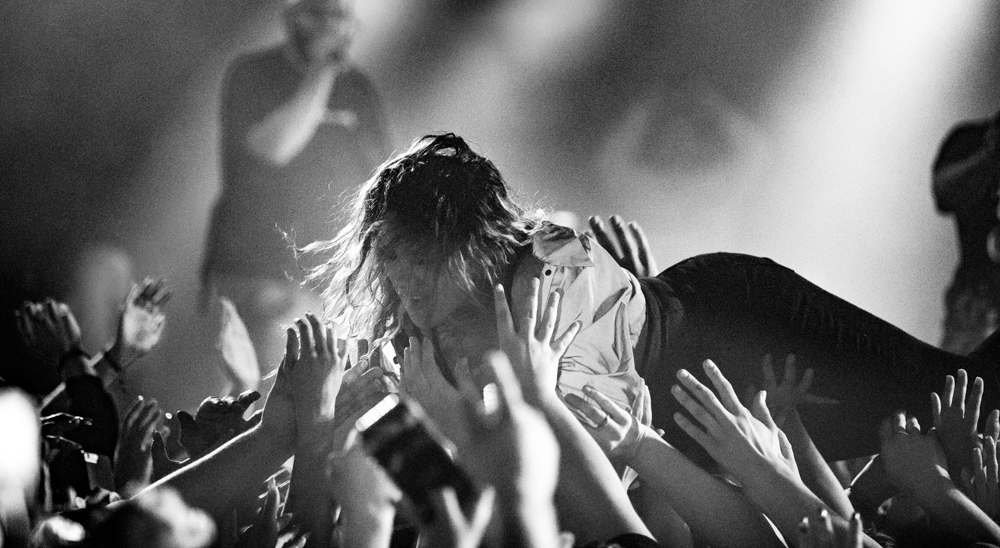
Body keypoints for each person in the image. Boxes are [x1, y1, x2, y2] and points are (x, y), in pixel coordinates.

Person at [308, 131, 1000, 465]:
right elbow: (455, 499)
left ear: (469, 237)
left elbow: (573, 444)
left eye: (418, 254)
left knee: (949, 400)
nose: (401, 278)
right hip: (699, 417)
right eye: (388, 258)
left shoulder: (545, 265)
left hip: (744, 333)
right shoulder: (425, 340)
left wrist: (454, 422)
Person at [201, 0, 390, 372]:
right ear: (291, 15)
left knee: (324, 393)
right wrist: (322, 75)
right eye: (316, 12)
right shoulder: (251, 74)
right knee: (257, 391)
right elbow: (272, 149)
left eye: (339, 16)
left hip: (327, 274)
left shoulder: (361, 90)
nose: (329, 25)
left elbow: (381, 180)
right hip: (255, 266)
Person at [933, 109, 1000, 355]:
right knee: (956, 374)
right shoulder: (970, 138)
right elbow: (943, 192)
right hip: (975, 295)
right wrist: (989, 156)